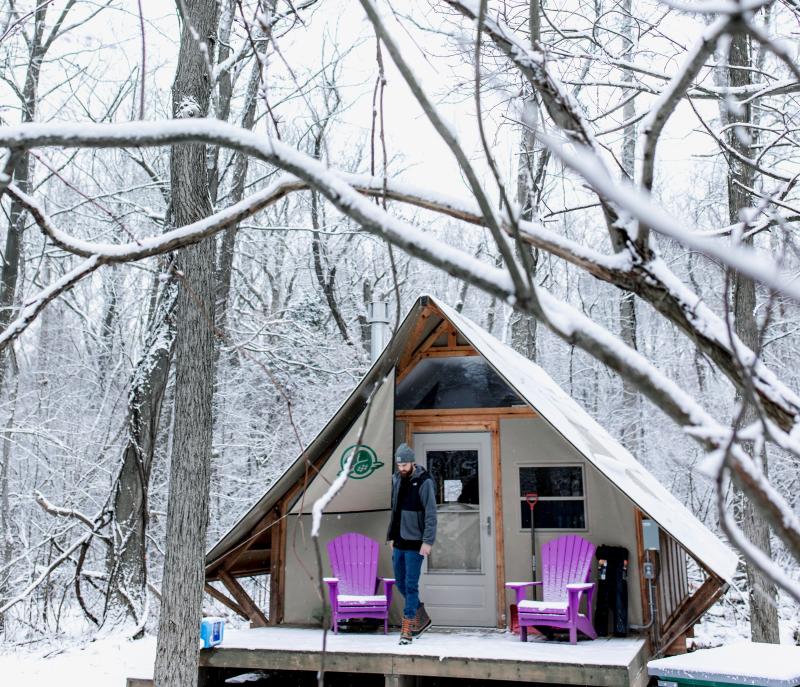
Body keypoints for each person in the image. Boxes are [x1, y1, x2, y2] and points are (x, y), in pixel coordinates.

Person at [386, 442, 437, 644]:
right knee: (400, 582)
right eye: (399, 466)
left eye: (405, 465)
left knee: (410, 584)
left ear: (412, 463)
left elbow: (431, 514)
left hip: (416, 542)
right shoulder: (397, 479)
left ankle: (407, 628)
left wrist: (428, 541)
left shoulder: (424, 482)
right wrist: (390, 536)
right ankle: (422, 618)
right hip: (398, 540)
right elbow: (395, 510)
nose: (402, 469)